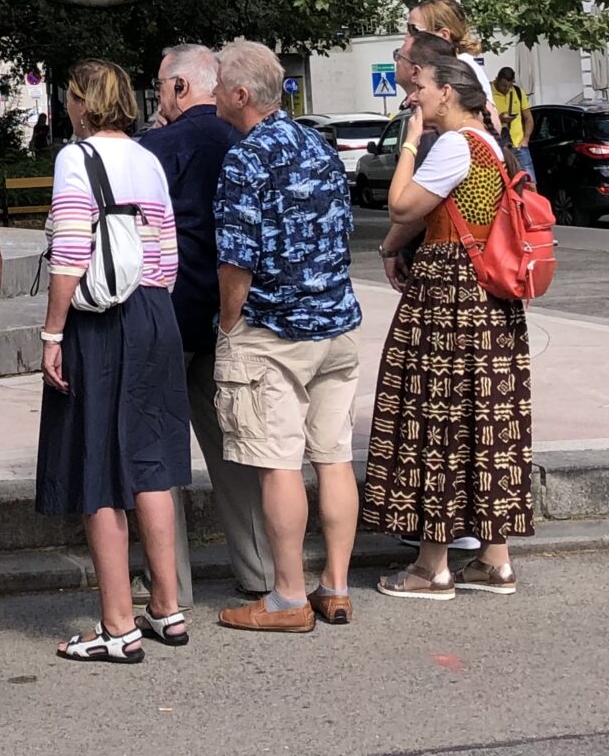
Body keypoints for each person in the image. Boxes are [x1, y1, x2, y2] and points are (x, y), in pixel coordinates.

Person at [364, 52, 535, 599]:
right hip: (488, 299)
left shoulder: (457, 144)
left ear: (449, 93)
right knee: (484, 421)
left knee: (436, 419)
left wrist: (411, 141)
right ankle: (495, 560)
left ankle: (431, 566)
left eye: (422, 89)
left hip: (450, 297)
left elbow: (400, 206)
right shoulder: (490, 143)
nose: (413, 97)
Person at [37, 61, 190, 661]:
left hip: (100, 321)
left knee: (98, 463)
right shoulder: (148, 158)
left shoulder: (77, 158)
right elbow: (168, 250)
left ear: (81, 102)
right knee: (149, 460)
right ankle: (167, 607)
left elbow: (72, 249)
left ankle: (116, 624)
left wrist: (53, 332)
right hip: (154, 310)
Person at [210, 39, 362, 634]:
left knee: (278, 463)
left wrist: (229, 327)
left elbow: (235, 263)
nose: (214, 92)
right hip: (337, 324)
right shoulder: (318, 146)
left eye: (220, 83)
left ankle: (287, 597)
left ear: (241, 96)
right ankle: (338, 588)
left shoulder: (245, 160)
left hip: (276, 331)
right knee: (333, 458)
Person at [139, 42, 270, 610]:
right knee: (234, 448)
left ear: (177, 87)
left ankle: (173, 586)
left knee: (162, 452)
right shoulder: (245, 140)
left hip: (168, 316)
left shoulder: (156, 148)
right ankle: (260, 569)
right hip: (230, 316)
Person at [491, 67, 535, 182]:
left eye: (509, 86)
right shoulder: (488, 93)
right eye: (503, 85)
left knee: (530, 182)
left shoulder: (518, 92)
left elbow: (528, 118)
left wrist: (525, 139)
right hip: (498, 148)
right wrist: (499, 119)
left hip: (519, 146)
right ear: (497, 80)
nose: (506, 89)